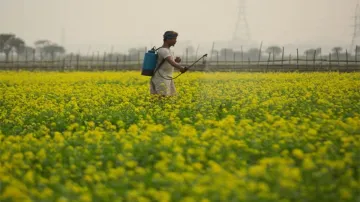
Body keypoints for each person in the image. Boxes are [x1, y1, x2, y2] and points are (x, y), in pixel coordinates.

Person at [150, 31, 187, 97]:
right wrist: (181, 68)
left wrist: (176, 61)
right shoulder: (164, 50)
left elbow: (170, 62)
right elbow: (171, 62)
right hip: (161, 78)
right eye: (174, 39)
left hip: (167, 77)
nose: (175, 41)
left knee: (169, 97)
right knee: (161, 98)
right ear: (168, 39)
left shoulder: (168, 50)